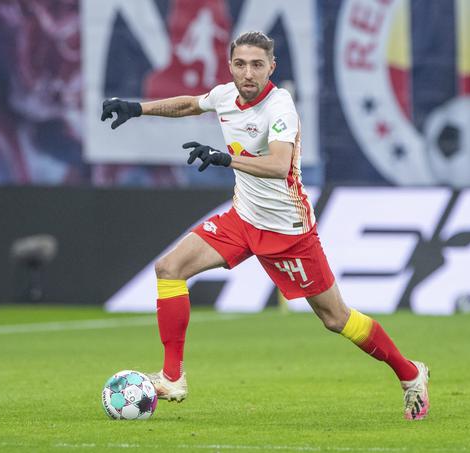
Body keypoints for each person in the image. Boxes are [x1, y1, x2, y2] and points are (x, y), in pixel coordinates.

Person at [101, 31, 430, 420]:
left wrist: (226, 160)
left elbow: (277, 165)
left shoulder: (280, 108)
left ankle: (411, 374)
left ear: (272, 67)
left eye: (257, 64)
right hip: (242, 219)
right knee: (169, 269)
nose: (248, 73)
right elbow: (190, 104)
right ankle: (172, 376)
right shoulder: (226, 96)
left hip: (288, 232)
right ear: (230, 66)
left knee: (334, 318)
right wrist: (138, 108)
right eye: (240, 64)